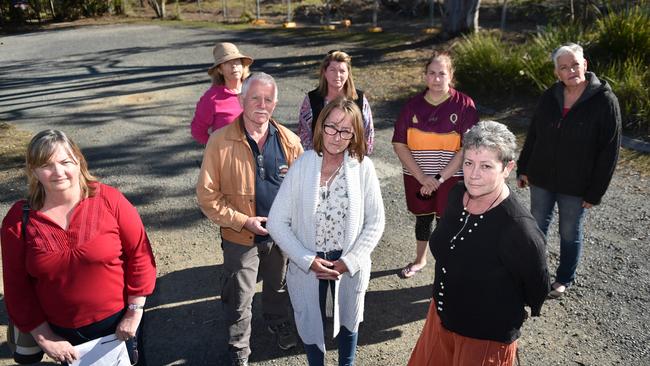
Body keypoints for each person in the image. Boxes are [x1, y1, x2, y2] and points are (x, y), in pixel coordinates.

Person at [1, 129, 156, 365]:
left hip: (119, 326)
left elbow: (140, 254)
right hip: (62, 336)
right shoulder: (18, 220)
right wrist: (45, 337)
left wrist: (134, 312)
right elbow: (16, 286)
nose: (58, 172)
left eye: (65, 162)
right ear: (33, 171)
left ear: (78, 162)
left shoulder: (109, 200)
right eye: (46, 165)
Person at [408, 121, 550, 366]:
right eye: (468, 163)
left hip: (484, 338)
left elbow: (537, 288)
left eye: (486, 166)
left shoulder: (519, 229)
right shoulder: (456, 194)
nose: (473, 174)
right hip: (440, 319)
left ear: (508, 168)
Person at [196, 72, 303, 366]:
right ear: (242, 100)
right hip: (239, 236)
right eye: (255, 98)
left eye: (268, 99)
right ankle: (239, 347)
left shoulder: (290, 142)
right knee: (239, 296)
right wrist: (243, 221)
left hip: (280, 237)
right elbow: (207, 196)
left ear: (276, 103)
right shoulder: (220, 141)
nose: (261, 104)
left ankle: (277, 320)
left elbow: (302, 192)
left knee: (278, 286)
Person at [268, 97, 385, 366]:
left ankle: (347, 363)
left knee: (349, 319)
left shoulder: (363, 168)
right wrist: (307, 260)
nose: (336, 136)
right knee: (310, 319)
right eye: (331, 127)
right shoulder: (302, 165)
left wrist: (350, 261)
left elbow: (376, 221)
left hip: (348, 263)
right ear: (320, 127)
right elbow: (276, 221)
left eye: (346, 131)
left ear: (355, 134)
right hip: (309, 263)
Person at [517, 43, 621, 298]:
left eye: (575, 64)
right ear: (557, 73)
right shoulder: (550, 96)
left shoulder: (605, 101)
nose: (571, 70)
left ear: (585, 64)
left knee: (569, 231)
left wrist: (595, 192)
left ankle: (564, 278)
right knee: (536, 227)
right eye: (564, 67)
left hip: (577, 184)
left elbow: (609, 152)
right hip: (541, 177)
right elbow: (534, 134)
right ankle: (534, 274)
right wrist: (523, 167)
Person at [392, 50, 479, 279]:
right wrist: (423, 177)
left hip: (451, 177)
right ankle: (419, 260)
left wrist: (439, 178)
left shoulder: (464, 105)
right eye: (432, 73)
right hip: (418, 176)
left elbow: (466, 147)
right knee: (423, 219)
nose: (437, 78)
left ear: (451, 75)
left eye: (442, 73)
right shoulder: (411, 106)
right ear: (425, 76)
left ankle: (447, 266)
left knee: (448, 221)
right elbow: (399, 144)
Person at [297, 50, 375, 154]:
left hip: (351, 160)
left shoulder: (359, 100)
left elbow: (367, 134)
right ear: (324, 72)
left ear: (348, 73)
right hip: (319, 161)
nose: (337, 75)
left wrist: (358, 158)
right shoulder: (312, 99)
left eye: (342, 71)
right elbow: (304, 137)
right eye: (332, 70)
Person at [190, 42, 253, 144]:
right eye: (227, 62)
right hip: (228, 158)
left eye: (236, 61)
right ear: (220, 70)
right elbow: (197, 131)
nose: (234, 66)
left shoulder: (254, 90)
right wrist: (216, 148)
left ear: (242, 66)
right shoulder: (211, 98)